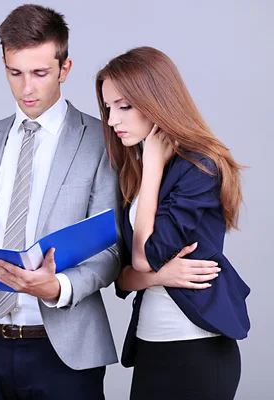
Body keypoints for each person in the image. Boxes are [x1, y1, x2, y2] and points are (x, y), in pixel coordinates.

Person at [0, 5, 121, 399]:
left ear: (64, 69)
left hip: (64, 350)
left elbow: (112, 248)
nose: (27, 89)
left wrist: (59, 287)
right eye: (15, 72)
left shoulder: (102, 141)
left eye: (40, 73)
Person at [96, 46, 250, 400]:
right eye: (107, 108)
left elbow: (144, 258)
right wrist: (159, 276)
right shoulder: (134, 172)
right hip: (151, 345)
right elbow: (122, 278)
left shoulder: (200, 167)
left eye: (124, 106)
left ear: (155, 99)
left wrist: (152, 169)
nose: (112, 120)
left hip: (196, 348)